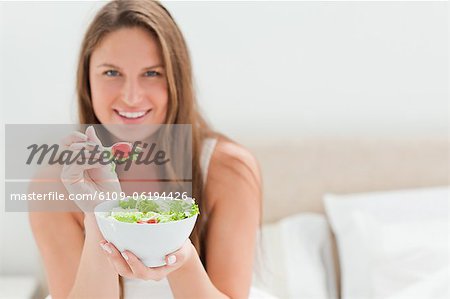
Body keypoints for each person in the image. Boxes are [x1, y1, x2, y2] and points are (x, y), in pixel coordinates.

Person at [29, 1, 267, 298]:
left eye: (152, 73)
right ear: (87, 80)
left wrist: (180, 256)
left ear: (176, 79)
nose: (131, 96)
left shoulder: (228, 169)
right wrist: (99, 215)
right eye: (111, 73)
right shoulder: (53, 181)